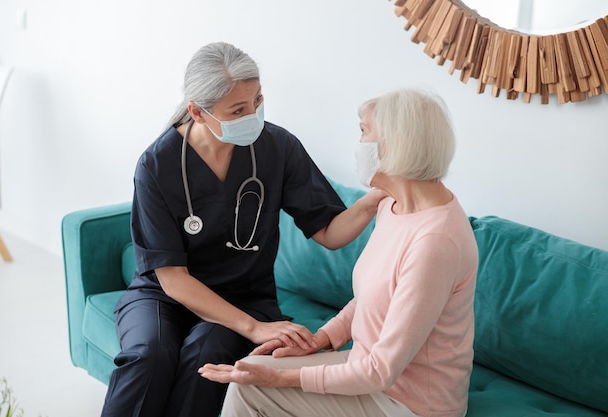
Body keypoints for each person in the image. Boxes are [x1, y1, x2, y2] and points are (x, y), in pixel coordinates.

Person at [99, 42, 384, 417]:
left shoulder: (277, 148)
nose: (253, 114)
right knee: (147, 357)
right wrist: (253, 329)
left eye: (257, 100)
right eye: (238, 110)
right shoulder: (157, 165)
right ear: (197, 113)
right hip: (163, 296)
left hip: (244, 295)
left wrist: (374, 198)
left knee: (207, 359)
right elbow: (172, 278)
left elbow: (328, 232)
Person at [199, 88, 479, 417]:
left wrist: (281, 379)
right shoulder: (391, 204)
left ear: (395, 144)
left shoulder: (435, 242)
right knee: (249, 370)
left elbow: (380, 370)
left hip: (409, 403)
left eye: (364, 131)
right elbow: (375, 297)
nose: (359, 144)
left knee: (251, 388)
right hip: (372, 374)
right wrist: (323, 338)